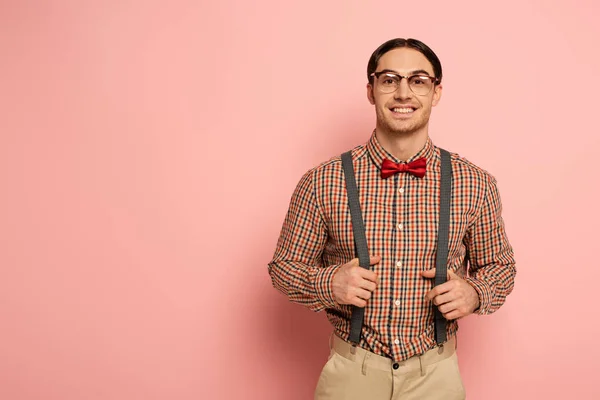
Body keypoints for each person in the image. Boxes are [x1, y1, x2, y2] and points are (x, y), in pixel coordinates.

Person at [267, 38, 516, 400]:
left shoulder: (474, 183)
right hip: (350, 373)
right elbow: (283, 268)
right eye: (389, 80)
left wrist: (475, 292)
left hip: (437, 376)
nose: (403, 93)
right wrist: (329, 283)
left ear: (436, 92)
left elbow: (500, 266)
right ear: (371, 91)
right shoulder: (322, 181)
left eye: (418, 80)